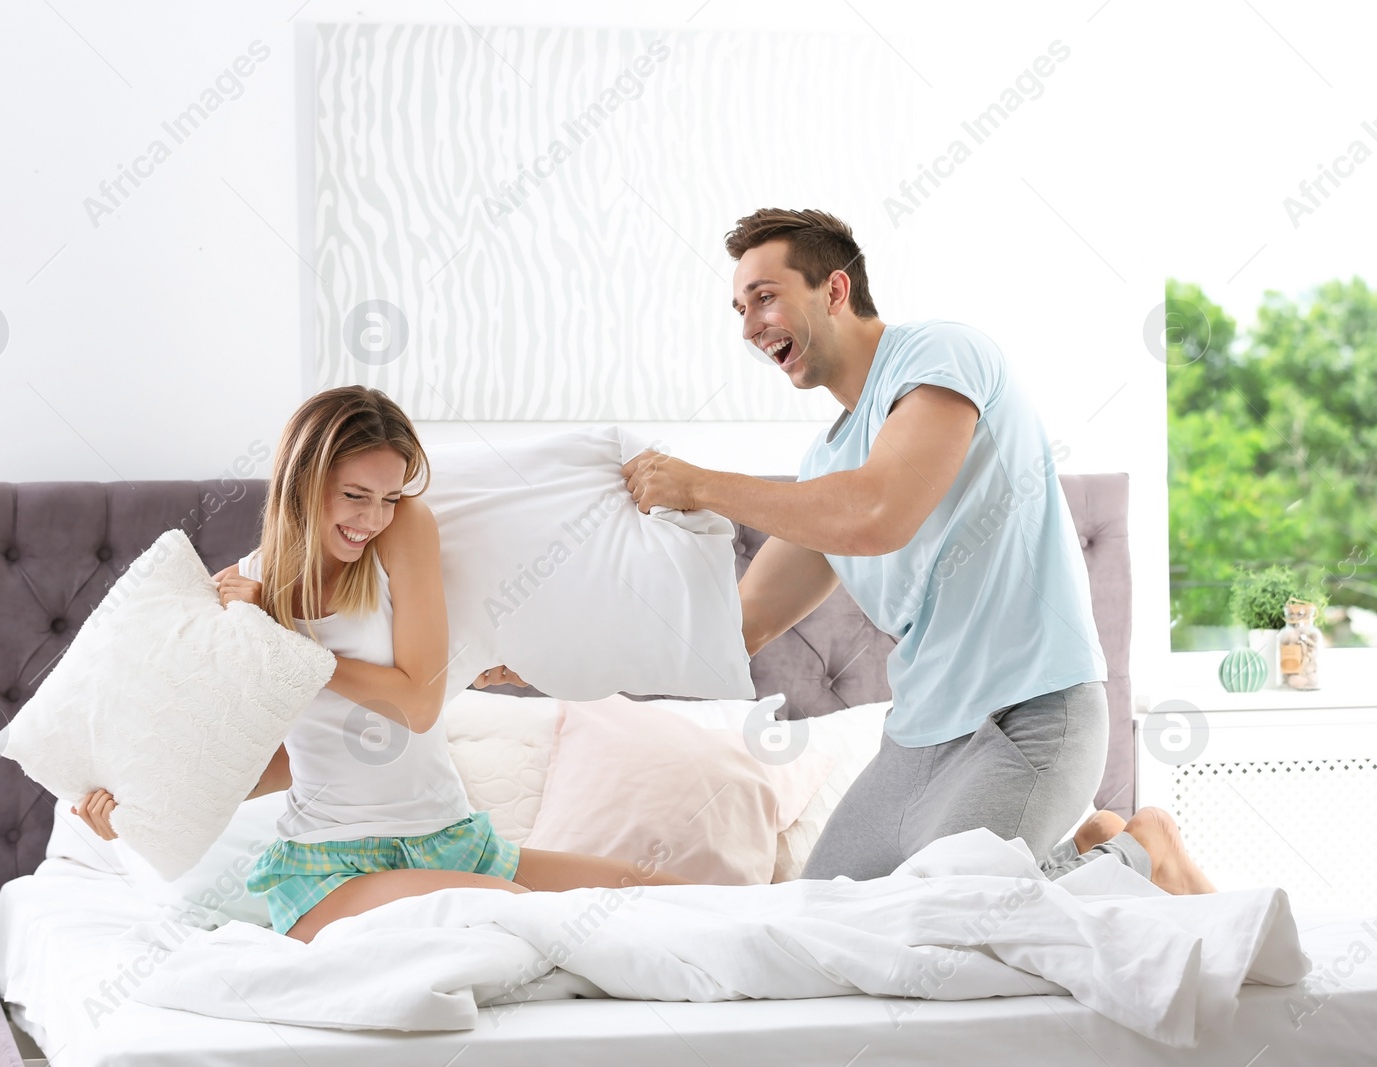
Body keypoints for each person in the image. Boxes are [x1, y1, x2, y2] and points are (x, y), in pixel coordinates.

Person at [620, 208, 1214, 895]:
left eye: (764, 296)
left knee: (945, 918)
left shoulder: (943, 353)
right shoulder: (827, 464)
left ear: (835, 291)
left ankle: (1142, 852)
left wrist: (700, 484)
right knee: (812, 927)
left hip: (1028, 718)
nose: (750, 325)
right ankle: (1090, 852)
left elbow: (878, 513)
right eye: (739, 307)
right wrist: (568, 653)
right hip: (916, 744)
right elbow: (741, 625)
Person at [75, 385, 688, 942]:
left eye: (388, 496)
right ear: (302, 482)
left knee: (663, 899)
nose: (371, 518)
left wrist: (287, 644)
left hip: (451, 843)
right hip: (330, 869)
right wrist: (142, 808)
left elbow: (417, 703)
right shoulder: (246, 596)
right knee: (518, 915)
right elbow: (272, 759)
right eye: (353, 496)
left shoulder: (397, 532)